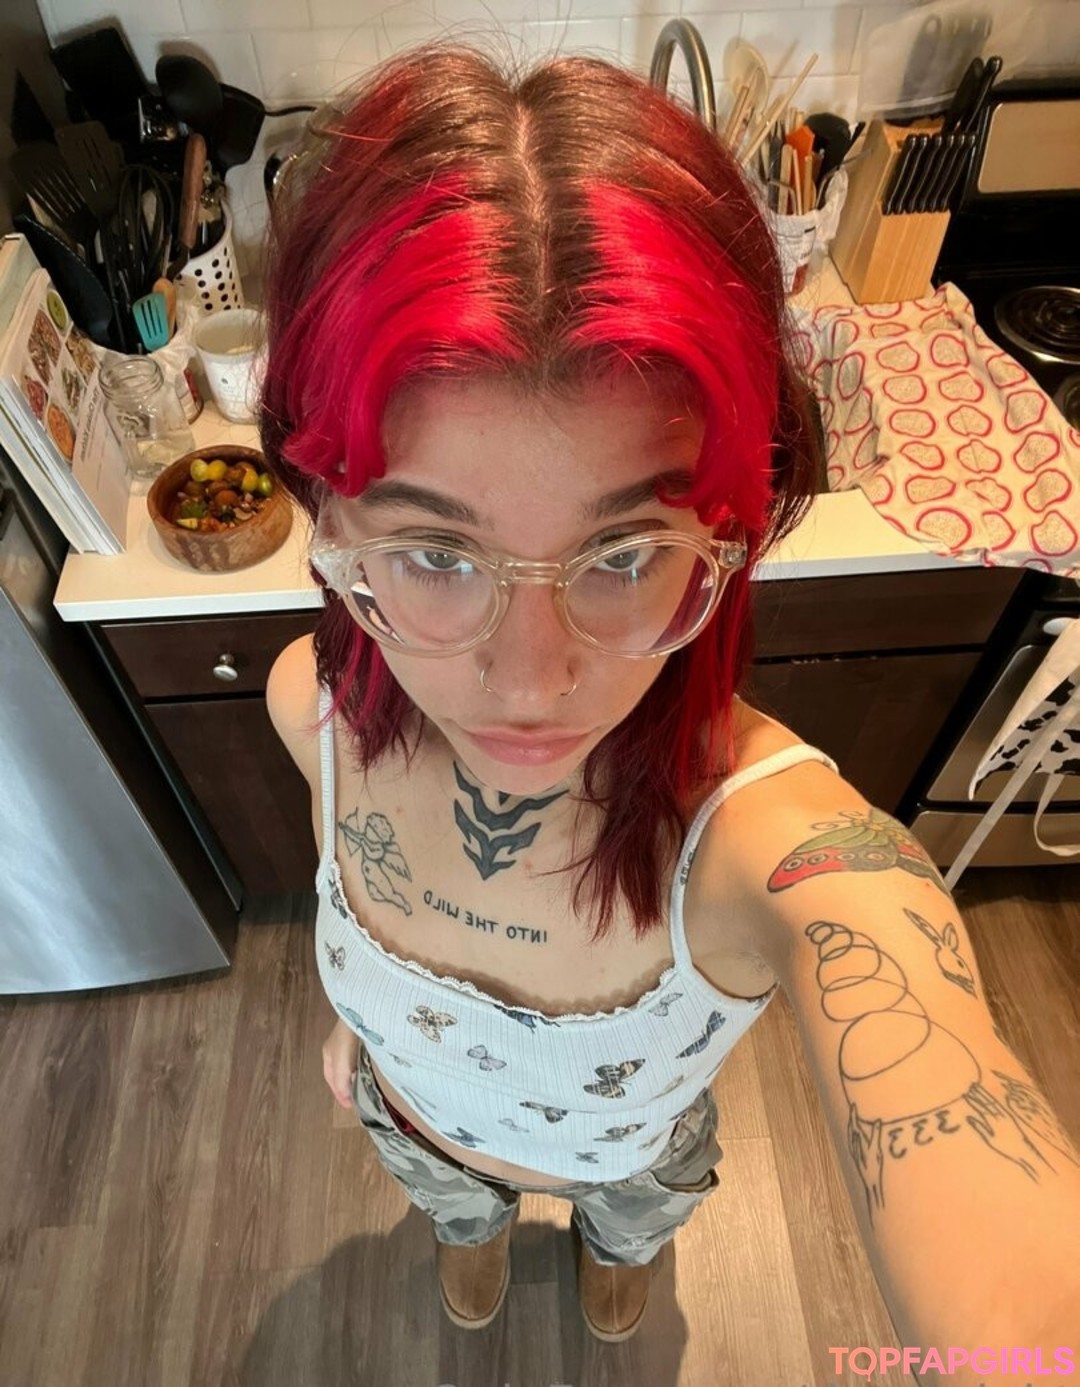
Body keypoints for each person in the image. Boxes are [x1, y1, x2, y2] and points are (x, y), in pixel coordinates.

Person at [262, 42, 1080, 1363]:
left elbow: (979, 1173)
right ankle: (470, 1230)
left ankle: (617, 1253)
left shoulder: (763, 849)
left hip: (633, 1155)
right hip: (410, 1123)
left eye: (624, 553)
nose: (532, 680)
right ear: (329, 524)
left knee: (629, 1232)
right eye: (436, 554)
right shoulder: (314, 708)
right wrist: (363, 1031)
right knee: (456, 1216)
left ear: (727, 536)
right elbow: (344, 888)